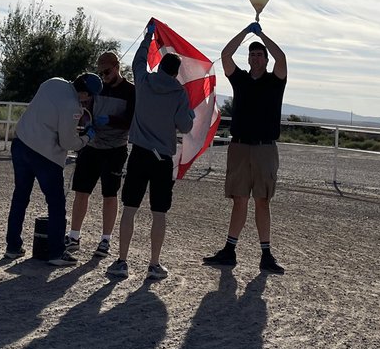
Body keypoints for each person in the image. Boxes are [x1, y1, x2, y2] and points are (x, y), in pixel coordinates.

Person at [106, 21, 195, 281]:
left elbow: (138, 60)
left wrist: (148, 36)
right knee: (159, 212)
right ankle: (154, 263)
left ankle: (122, 260)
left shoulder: (143, 81)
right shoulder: (179, 94)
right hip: (162, 159)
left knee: (130, 209)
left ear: (160, 66)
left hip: (139, 154)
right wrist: (186, 111)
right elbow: (186, 126)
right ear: (176, 72)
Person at [202, 22, 287, 275]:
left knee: (262, 201)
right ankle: (229, 251)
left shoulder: (275, 80)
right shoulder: (240, 80)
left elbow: (282, 57)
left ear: (266, 59)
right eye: (252, 54)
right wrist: (246, 33)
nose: (255, 58)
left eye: (259, 54)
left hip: (264, 149)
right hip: (239, 147)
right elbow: (225, 55)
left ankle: (266, 254)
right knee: (239, 200)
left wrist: (262, 35)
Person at [5, 72, 100, 267]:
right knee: (56, 203)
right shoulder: (73, 107)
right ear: (85, 93)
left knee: (20, 196)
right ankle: (56, 252)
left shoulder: (52, 82)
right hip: (45, 156)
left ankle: (12, 247)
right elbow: (67, 142)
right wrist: (87, 137)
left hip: (21, 143)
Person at [66, 50, 137, 258]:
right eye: (101, 72)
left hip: (115, 149)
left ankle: (105, 239)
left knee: (110, 194)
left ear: (117, 67)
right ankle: (74, 235)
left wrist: (112, 120)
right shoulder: (97, 87)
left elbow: (131, 120)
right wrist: (87, 124)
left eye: (106, 72)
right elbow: (85, 110)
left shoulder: (131, 91)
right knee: (81, 191)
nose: (104, 76)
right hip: (91, 145)